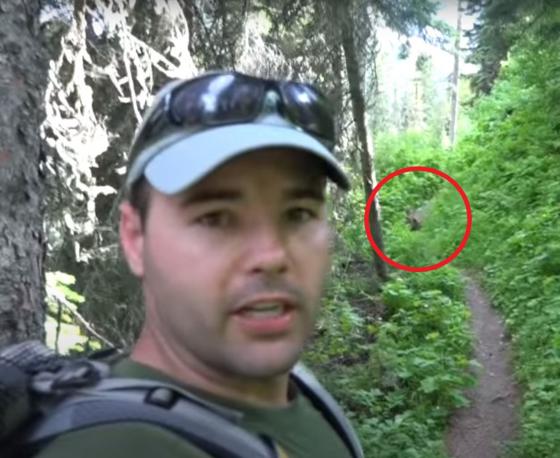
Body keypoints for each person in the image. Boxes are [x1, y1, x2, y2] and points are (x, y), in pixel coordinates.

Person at [33, 71, 361, 458]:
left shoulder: (301, 392)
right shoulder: (113, 447)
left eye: (298, 213)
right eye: (215, 218)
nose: (272, 255)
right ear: (135, 239)